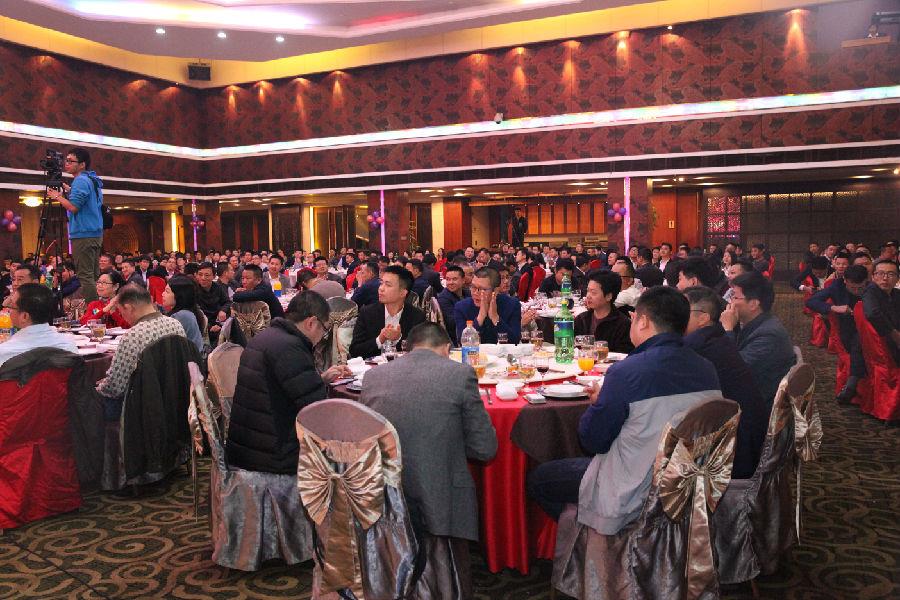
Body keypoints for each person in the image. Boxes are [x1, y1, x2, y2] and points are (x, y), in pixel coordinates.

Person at [527, 286, 720, 524]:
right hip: (688, 485)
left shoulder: (627, 372)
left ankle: (590, 536)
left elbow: (592, 441)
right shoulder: (707, 368)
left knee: (539, 479)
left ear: (643, 321)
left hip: (632, 488)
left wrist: (599, 404)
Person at [359, 322, 497, 570]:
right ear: (446, 348)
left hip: (382, 491)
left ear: (409, 348)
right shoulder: (460, 374)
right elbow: (485, 448)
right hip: (438, 495)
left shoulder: (373, 376)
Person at [226, 292, 350, 473]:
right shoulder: (290, 348)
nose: (323, 336)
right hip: (274, 455)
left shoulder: (269, 337)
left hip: (250, 445)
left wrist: (320, 379)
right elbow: (317, 409)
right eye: (324, 329)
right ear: (311, 323)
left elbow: (283, 387)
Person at [682, 286, 767, 478]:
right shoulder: (715, 338)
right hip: (746, 436)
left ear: (703, 318)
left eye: (682, 310)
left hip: (732, 450)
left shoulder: (697, 347)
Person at [96, 284, 187, 416]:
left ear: (129, 308)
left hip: (143, 403)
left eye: (121, 312)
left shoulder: (133, 335)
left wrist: (98, 387)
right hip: (176, 395)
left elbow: (115, 387)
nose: (123, 317)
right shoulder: (176, 324)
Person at [720, 271, 795, 406]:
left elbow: (733, 370)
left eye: (735, 297)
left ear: (753, 304)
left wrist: (728, 330)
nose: (730, 302)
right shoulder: (757, 323)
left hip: (757, 405)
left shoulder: (769, 335)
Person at [47, 148, 103, 302]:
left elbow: (73, 207)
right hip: (94, 233)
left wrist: (57, 196)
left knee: (85, 276)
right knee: (93, 274)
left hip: (83, 233)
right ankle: (98, 307)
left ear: (82, 164)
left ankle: (93, 309)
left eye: (71, 161)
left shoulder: (80, 181)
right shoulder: (91, 179)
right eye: (66, 160)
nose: (67, 164)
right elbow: (88, 200)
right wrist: (70, 190)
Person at [806, 264, 870, 401]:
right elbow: (811, 301)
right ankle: (853, 383)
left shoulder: (872, 287)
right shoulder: (837, 286)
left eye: (860, 288)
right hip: (849, 329)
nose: (857, 291)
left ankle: (853, 383)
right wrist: (833, 307)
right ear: (845, 280)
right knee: (858, 342)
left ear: (866, 281)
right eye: (852, 288)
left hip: (872, 329)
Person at [349, 265, 426, 358]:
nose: (381, 288)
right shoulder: (367, 313)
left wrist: (398, 339)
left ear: (403, 292)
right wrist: (380, 339)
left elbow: (421, 353)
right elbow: (355, 351)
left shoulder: (416, 316)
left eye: (388, 285)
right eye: (381, 283)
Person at [0, 284, 78, 367]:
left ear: (24, 316)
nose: (9, 311)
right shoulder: (68, 345)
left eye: (11, 306)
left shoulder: (5, 351)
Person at [453, 267, 521, 344]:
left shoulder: (512, 304)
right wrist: (480, 318)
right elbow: (462, 342)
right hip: (475, 351)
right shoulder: (462, 307)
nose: (475, 293)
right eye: (473, 287)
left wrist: (495, 318)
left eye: (482, 289)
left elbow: (515, 340)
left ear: (496, 291)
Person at [574, 271, 633, 353]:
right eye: (588, 291)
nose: (588, 296)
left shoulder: (623, 324)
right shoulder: (581, 319)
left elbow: (623, 354)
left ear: (609, 296)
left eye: (593, 292)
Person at [862, 259, 900, 366]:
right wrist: (894, 334)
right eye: (880, 273)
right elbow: (872, 314)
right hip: (882, 343)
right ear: (873, 277)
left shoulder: (896, 293)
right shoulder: (870, 292)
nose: (885, 278)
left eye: (890, 274)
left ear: (897, 279)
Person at [161, 276, 207, 354]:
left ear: (179, 295)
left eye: (167, 291)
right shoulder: (189, 312)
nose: (163, 294)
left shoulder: (182, 316)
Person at [436, 265, 470, 346]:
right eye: (448, 279)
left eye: (454, 279)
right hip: (455, 339)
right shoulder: (444, 298)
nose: (450, 282)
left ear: (463, 280)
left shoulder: (468, 293)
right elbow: (453, 322)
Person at [195, 262, 231, 334]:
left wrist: (223, 310)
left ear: (214, 276)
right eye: (200, 274)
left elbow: (227, 302)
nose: (203, 278)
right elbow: (194, 313)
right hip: (201, 324)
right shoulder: (193, 290)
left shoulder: (218, 287)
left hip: (218, 321)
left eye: (207, 275)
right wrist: (209, 327)